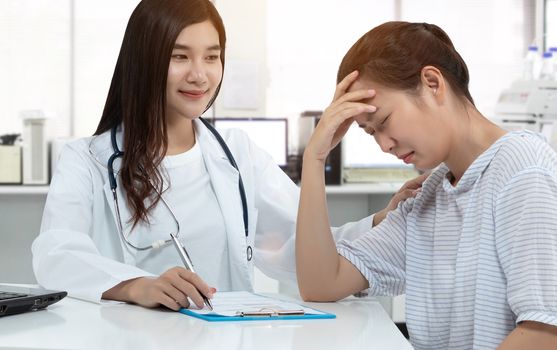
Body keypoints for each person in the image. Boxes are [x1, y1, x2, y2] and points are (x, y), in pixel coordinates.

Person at [31, 0, 421, 312]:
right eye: (180, 56)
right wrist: (138, 286)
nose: (200, 75)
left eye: (212, 57)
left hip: (223, 339)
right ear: (144, 61)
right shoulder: (86, 160)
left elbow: (297, 245)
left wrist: (378, 223)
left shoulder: (238, 153)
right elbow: (56, 253)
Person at [296, 21, 557, 350]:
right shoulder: (428, 197)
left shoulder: (523, 171)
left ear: (432, 83)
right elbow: (320, 283)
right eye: (370, 132)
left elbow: (545, 332)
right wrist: (315, 158)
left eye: (384, 122)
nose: (384, 146)